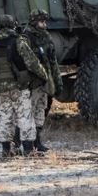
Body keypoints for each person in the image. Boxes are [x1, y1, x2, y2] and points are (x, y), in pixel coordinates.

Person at [0, 17, 54, 158]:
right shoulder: (18, 41)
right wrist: (44, 76)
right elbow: (32, 62)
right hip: (19, 88)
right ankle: (28, 150)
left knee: (5, 119)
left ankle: (7, 150)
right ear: (12, 26)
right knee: (25, 118)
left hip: (1, 89)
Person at [24, 12, 59, 155]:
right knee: (28, 113)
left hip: (44, 82)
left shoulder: (46, 37)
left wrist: (57, 80)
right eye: (41, 22)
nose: (44, 24)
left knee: (40, 112)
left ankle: (37, 142)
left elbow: (53, 61)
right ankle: (27, 144)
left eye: (45, 21)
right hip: (32, 82)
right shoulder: (26, 38)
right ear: (34, 22)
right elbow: (28, 61)